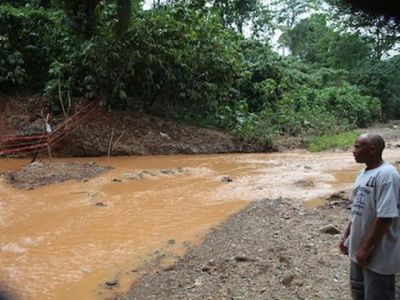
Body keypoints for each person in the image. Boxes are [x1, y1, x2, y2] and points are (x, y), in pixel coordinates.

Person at [339, 133, 400, 300]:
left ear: (372, 149)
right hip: (358, 252)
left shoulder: (387, 175)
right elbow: (357, 210)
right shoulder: (362, 174)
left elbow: (385, 216)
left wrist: (366, 248)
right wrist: (347, 236)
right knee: (359, 294)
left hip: (378, 257)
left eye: (357, 147)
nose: (353, 151)